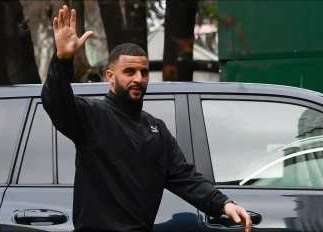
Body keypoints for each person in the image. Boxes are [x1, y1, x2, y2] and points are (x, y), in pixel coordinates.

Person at [41, 5, 252, 232]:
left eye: (144, 72)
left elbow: (186, 177)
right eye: (129, 72)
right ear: (111, 77)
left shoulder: (156, 130)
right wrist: (62, 60)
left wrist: (224, 204)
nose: (139, 79)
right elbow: (55, 101)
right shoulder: (91, 116)